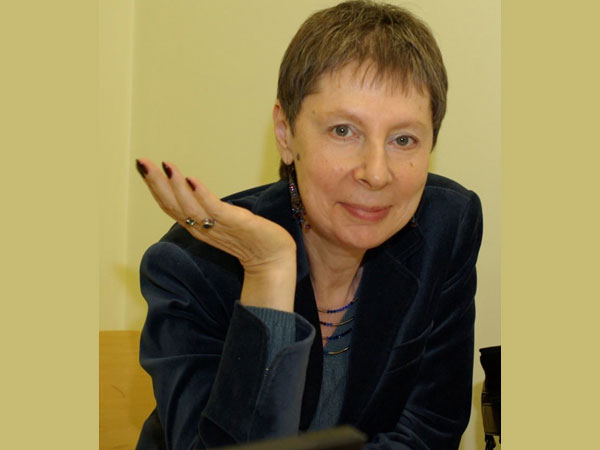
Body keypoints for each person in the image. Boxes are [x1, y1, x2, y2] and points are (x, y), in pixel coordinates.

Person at [134, 1, 483, 449]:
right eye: (343, 131)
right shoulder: (193, 267)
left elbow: (429, 430)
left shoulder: (446, 226)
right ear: (285, 134)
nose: (376, 173)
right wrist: (268, 271)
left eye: (403, 139)